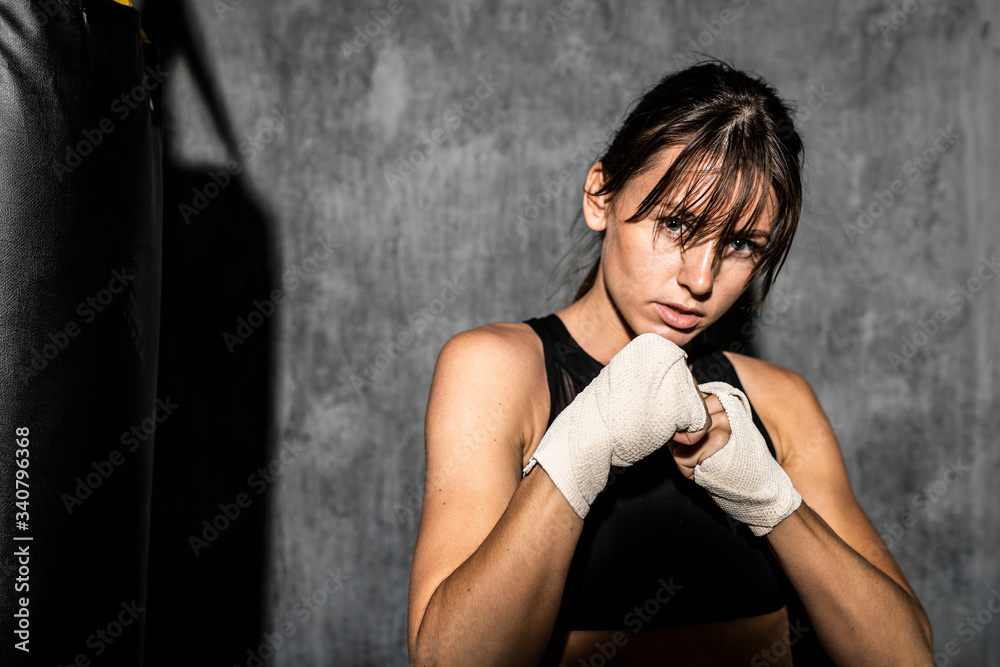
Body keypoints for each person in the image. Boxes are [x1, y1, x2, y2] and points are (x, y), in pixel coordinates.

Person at [406, 60, 934, 666]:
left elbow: (909, 659)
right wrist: (579, 448)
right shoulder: (497, 371)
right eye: (677, 225)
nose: (700, 280)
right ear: (600, 196)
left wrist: (774, 504)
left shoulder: (779, 400)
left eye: (740, 245)